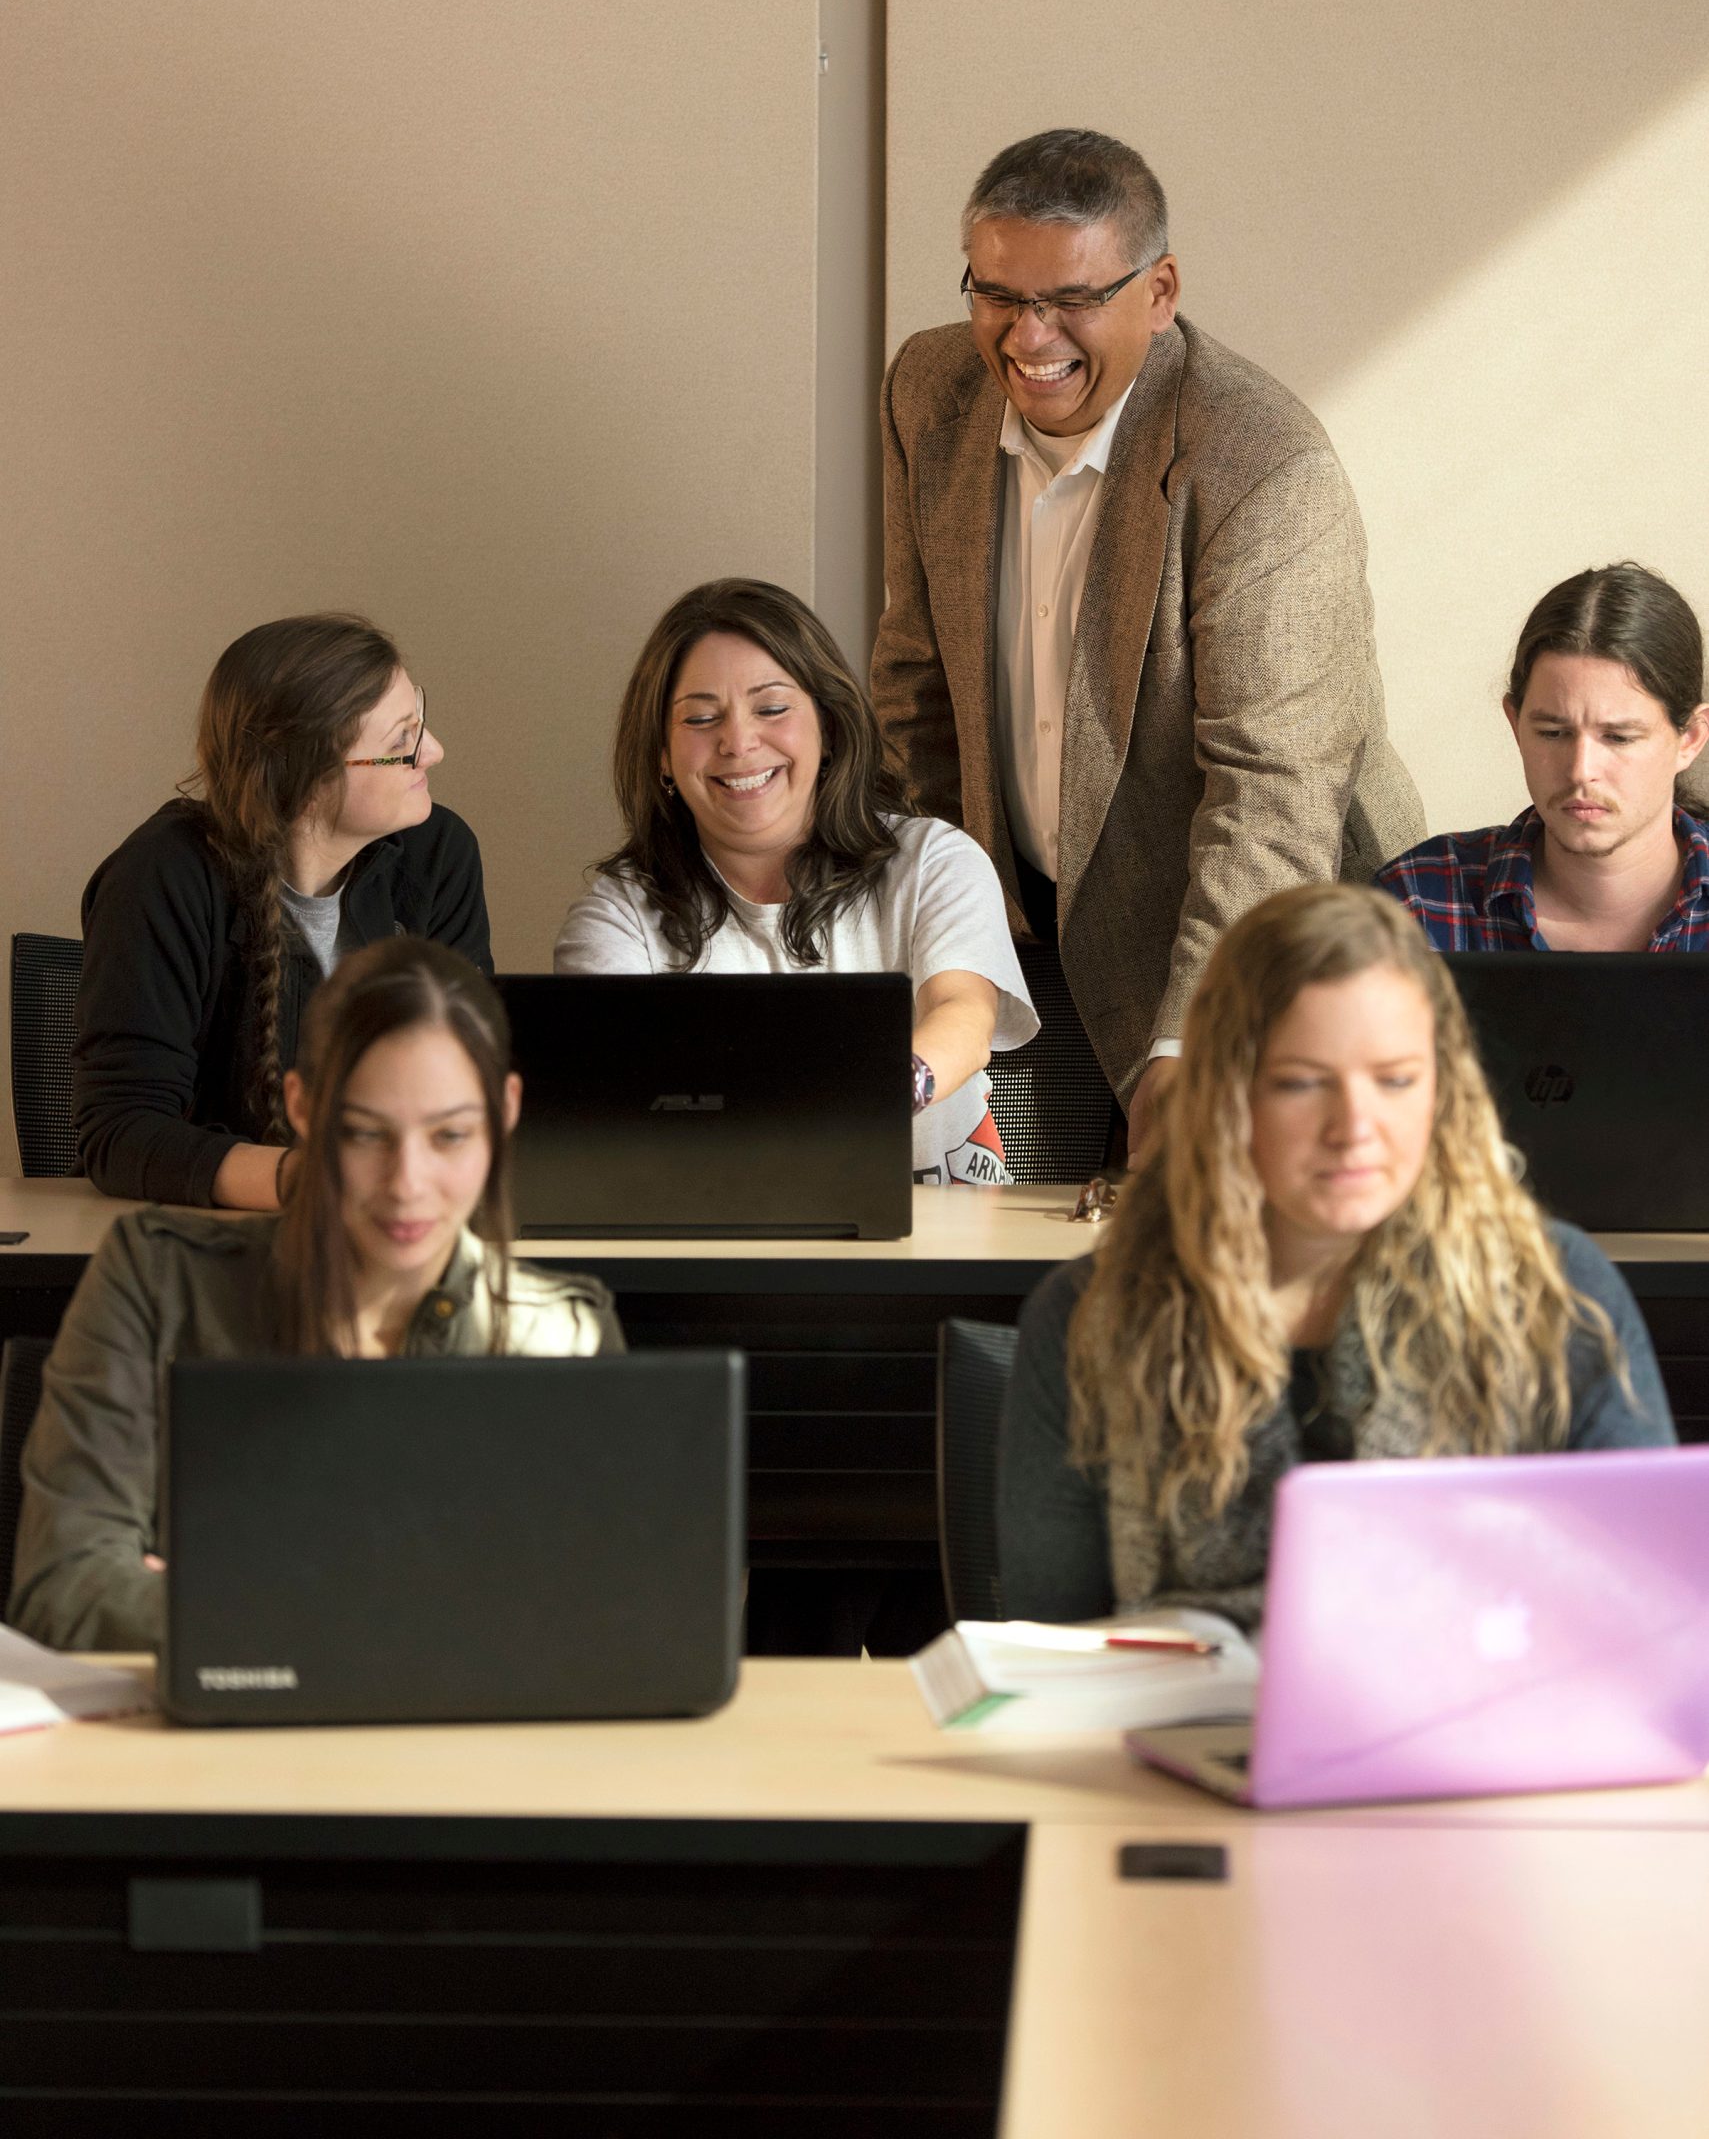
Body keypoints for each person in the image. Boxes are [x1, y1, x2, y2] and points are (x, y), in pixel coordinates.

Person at [870, 127, 1423, 1162]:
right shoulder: (926, 390)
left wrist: (1189, 1043)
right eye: (996, 293)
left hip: (1255, 940)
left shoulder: (1261, 465)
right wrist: (949, 922)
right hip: (1029, 931)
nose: (1028, 337)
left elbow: (1270, 797)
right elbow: (914, 685)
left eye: (1071, 299)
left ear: (1158, 291)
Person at [998, 883, 1671, 1627]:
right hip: (1167, 1734)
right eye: (1301, 1083)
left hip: (1474, 1730)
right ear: (1228, 1095)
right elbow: (1051, 1643)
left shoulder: (1555, 1289)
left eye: (1394, 1080)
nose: (1354, 1127)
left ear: (1442, 1090)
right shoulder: (1088, 1315)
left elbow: (1642, 1608)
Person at [11, 938, 621, 1653]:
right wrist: (431, 1611)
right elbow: (65, 1589)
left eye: (450, 1136)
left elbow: (603, 1621)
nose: (406, 1184)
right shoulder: (157, 1278)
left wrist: (222, 1603)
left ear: (507, 1110)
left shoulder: (562, 1332)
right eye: (365, 1135)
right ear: (301, 1105)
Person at [555, 576, 1038, 1184]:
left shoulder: (936, 861)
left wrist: (876, 1093)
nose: (738, 742)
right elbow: (616, 1094)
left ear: (829, 726)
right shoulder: (617, 913)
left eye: (773, 708)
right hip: (725, 1251)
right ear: (661, 755)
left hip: (951, 1251)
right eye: (702, 718)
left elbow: (964, 1018)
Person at [73, 612, 492, 1207]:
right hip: (206, 1249)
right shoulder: (161, 876)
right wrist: (321, 1183)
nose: (435, 752)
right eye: (403, 741)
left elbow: (468, 1081)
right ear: (309, 776)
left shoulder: (438, 855)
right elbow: (122, 1133)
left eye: (420, 723)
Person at [1376, 561, 1709, 953]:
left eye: (1618, 737)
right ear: (1516, 726)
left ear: (1690, 738)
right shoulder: (1417, 904)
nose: (1581, 770)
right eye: (1553, 733)